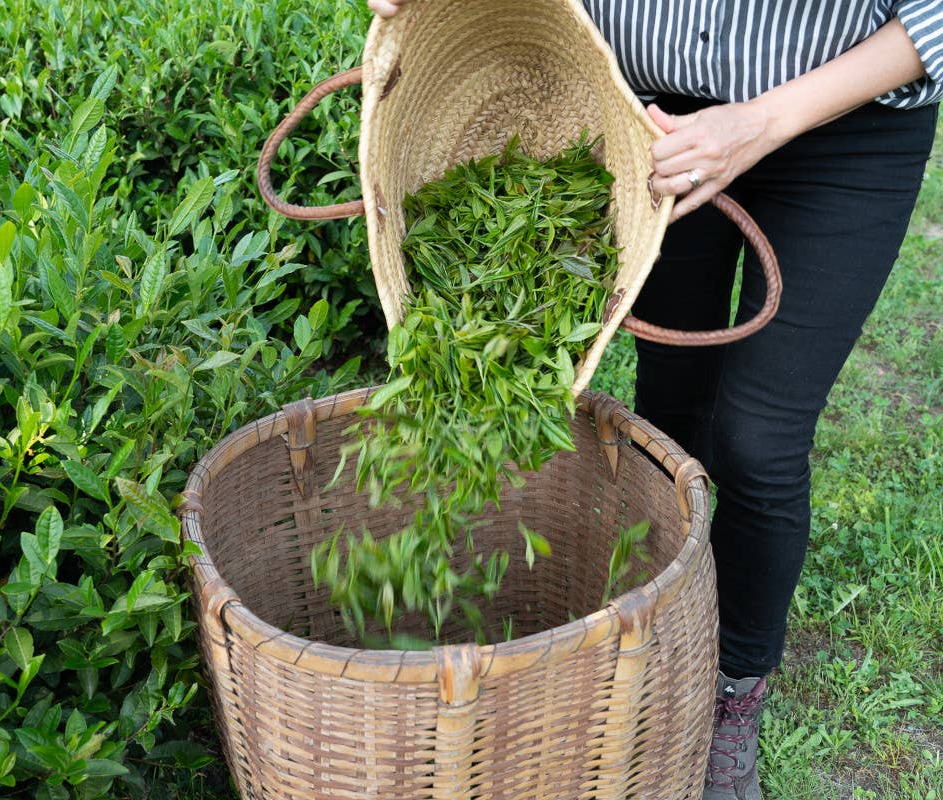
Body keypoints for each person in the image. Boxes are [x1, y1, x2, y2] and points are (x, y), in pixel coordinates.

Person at [368, 2, 942, 798]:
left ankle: (735, 680)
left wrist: (764, 122)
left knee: (758, 439)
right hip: (647, 115)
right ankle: (665, 632)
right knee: (670, 409)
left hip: (843, 130)